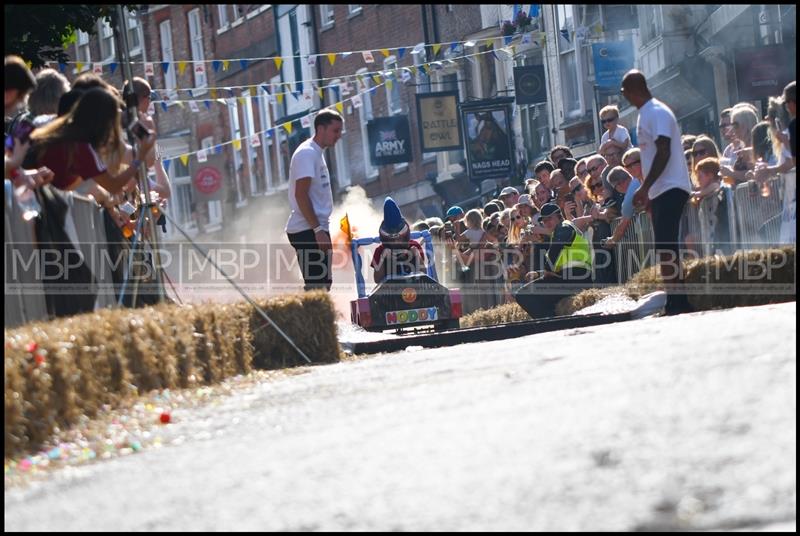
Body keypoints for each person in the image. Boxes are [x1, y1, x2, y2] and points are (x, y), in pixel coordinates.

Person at [623, 69, 693, 315]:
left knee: (667, 247)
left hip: (672, 186)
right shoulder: (644, 115)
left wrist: (645, 186)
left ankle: (679, 301)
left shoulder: (657, 112)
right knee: (664, 247)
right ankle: (675, 299)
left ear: (635, 89)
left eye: (625, 89)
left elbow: (664, 151)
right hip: (660, 189)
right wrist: (649, 193)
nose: (623, 94)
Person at [285, 108, 343, 291]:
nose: (338, 136)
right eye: (335, 131)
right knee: (317, 286)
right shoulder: (307, 154)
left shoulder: (316, 153)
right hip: (307, 229)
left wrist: (321, 229)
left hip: (316, 227)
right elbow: (300, 195)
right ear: (321, 129)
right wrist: (317, 230)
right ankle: (310, 319)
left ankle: (318, 318)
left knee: (324, 284)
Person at [513, 203, 593, 318]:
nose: (547, 223)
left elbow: (557, 247)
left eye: (550, 218)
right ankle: (553, 319)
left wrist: (545, 270)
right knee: (532, 296)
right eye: (544, 221)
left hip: (576, 277)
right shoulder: (557, 234)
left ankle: (550, 322)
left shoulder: (565, 226)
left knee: (523, 295)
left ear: (559, 216)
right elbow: (559, 263)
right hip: (569, 278)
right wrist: (539, 273)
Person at [371, 197, 425, 283]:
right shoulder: (379, 251)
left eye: (399, 237)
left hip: (415, 290)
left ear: (405, 235)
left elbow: (424, 275)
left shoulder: (414, 246)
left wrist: (417, 256)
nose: (396, 241)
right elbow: (377, 280)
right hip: (390, 293)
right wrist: (382, 258)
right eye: (392, 239)